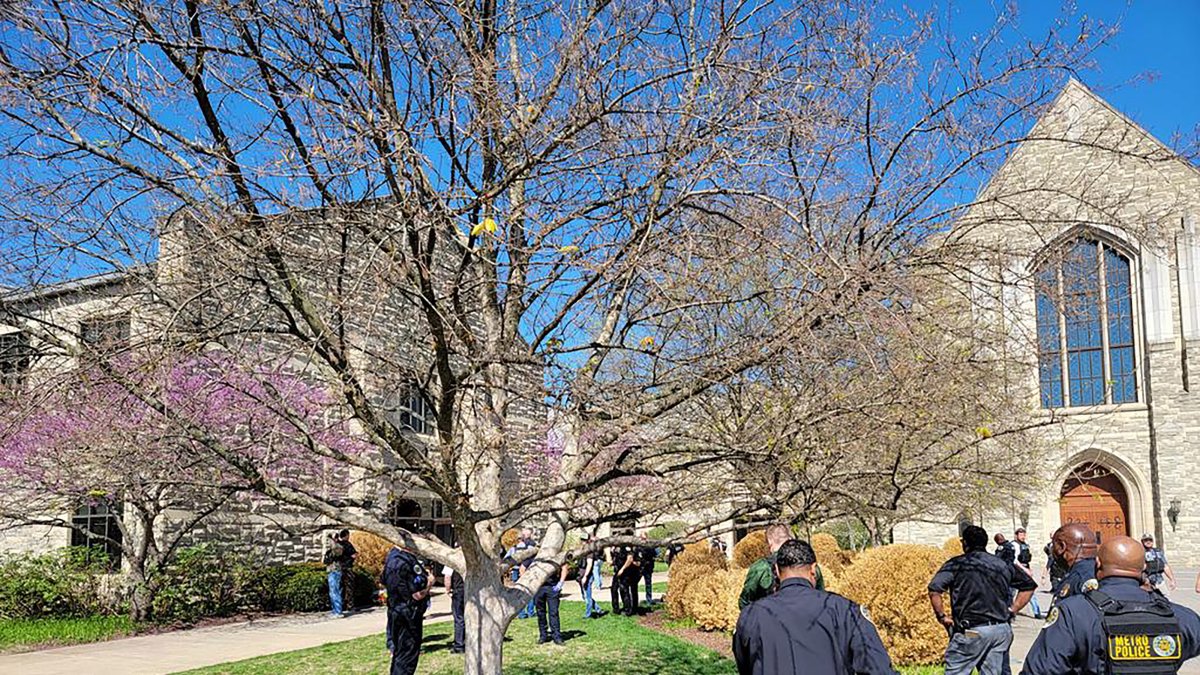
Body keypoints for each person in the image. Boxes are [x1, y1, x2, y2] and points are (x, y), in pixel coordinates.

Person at [1021, 535, 1200, 674]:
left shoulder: (1074, 613)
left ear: (1098, 563)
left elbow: (1040, 669)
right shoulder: (1181, 616)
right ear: (1144, 566)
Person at [733, 539, 895, 675]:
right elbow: (878, 668)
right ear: (813, 569)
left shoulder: (752, 615)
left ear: (776, 570)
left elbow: (745, 666)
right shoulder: (845, 611)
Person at [928, 525, 1036, 675]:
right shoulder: (1002, 564)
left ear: (965, 543)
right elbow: (1029, 586)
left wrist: (942, 616)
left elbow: (934, 590)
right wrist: (1013, 609)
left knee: (956, 671)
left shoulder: (957, 564)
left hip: (971, 631)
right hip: (1000, 630)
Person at [739, 523, 825, 609]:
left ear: (770, 542)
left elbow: (745, 601)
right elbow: (821, 598)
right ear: (789, 539)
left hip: (769, 618)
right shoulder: (810, 565)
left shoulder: (761, 567)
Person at [381, 546, 433, 675]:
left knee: (399, 654)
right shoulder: (405, 561)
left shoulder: (392, 557)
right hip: (408, 614)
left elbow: (382, 581)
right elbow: (416, 595)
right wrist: (429, 584)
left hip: (396, 611)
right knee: (407, 656)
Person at [1049, 524, 1098, 605]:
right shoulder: (1095, 569)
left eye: (1054, 545)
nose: (1052, 550)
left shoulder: (1081, 577)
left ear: (1062, 547)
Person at [534, 562, 570, 645]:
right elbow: (524, 568)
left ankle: (556, 636)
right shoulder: (537, 556)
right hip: (539, 588)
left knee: (554, 613)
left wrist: (560, 584)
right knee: (540, 613)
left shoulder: (556, 555)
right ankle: (543, 636)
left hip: (552, 587)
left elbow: (565, 567)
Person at [1012, 528, 1042, 619]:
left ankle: (1037, 612)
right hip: (1016, 570)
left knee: (1029, 589)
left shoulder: (1025, 545)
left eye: (1024, 534)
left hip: (1025, 568)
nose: (1023, 537)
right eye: (1021, 535)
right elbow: (1015, 560)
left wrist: (1029, 569)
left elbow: (1026, 559)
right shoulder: (1014, 545)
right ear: (1016, 535)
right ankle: (1010, 611)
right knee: (1012, 592)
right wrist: (1024, 569)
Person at [508, 529, 538, 619]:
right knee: (529, 591)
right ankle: (530, 611)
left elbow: (507, 558)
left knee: (518, 592)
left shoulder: (513, 548)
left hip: (516, 570)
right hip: (527, 570)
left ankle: (521, 613)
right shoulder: (530, 546)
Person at [577, 534, 604, 618]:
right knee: (584, 596)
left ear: (588, 541)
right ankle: (598, 609)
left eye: (584, 540)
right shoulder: (581, 550)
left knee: (587, 596)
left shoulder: (589, 551)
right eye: (581, 540)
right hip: (580, 575)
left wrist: (585, 576)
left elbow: (589, 564)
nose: (582, 542)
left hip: (587, 575)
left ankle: (588, 614)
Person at [442, 558, 465, 654]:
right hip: (471, 591)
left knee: (459, 618)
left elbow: (447, 577)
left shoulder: (452, 559)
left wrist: (448, 590)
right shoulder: (470, 559)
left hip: (458, 591)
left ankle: (459, 645)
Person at [614, 540, 641, 616]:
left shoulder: (629, 548)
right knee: (626, 590)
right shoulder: (620, 548)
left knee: (627, 591)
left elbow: (630, 559)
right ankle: (629, 608)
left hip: (629, 573)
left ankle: (629, 610)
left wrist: (622, 569)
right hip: (625, 572)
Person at [323, 531, 346, 617]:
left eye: (335, 537)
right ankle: (335, 610)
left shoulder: (338, 547)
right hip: (331, 571)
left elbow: (334, 547)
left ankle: (338, 611)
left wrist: (331, 537)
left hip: (335, 571)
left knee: (335, 591)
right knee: (332, 591)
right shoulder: (332, 548)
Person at [337, 529, 358, 613]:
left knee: (340, 587)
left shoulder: (338, 544)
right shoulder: (347, 544)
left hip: (339, 568)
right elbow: (354, 555)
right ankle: (350, 606)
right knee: (349, 587)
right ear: (346, 535)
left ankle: (340, 606)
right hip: (347, 568)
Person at [638, 539, 657, 604]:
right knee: (634, 584)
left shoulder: (650, 547)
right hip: (639, 567)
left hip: (648, 567)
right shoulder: (638, 547)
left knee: (648, 583)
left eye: (644, 538)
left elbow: (654, 555)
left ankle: (649, 599)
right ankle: (634, 601)